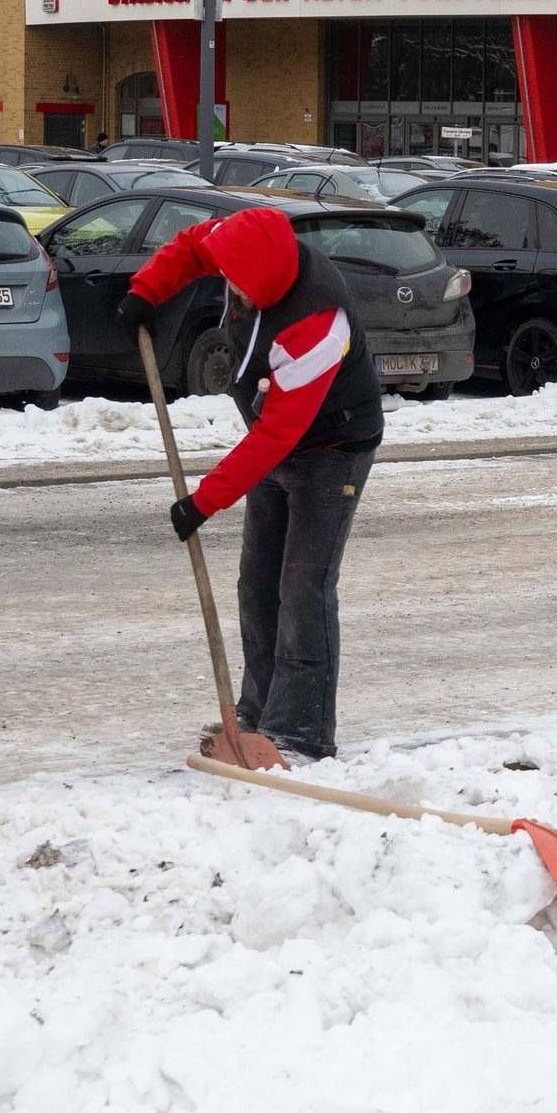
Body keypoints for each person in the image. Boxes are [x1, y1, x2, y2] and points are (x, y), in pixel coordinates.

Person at [117, 199, 383, 763]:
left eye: (236, 284)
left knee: (302, 587)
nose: (226, 287)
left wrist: (202, 502)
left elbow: (273, 441)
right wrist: (146, 291)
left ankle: (302, 733)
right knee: (256, 583)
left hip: (332, 448)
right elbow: (194, 246)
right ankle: (257, 715)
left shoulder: (317, 325)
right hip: (276, 439)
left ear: (263, 283)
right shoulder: (246, 243)